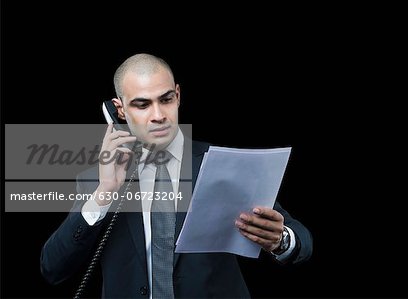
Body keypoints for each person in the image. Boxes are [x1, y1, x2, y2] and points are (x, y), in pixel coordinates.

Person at [40, 53, 313, 298]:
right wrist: (105, 192)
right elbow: (53, 268)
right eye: (142, 104)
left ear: (178, 96)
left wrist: (281, 239)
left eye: (166, 99)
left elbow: (300, 240)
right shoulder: (97, 180)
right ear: (119, 110)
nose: (158, 115)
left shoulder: (222, 163)